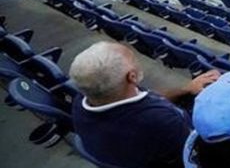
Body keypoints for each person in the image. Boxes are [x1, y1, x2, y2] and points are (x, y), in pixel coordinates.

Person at [69, 41, 221, 168]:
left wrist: (186, 89)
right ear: (132, 77)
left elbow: (150, 97)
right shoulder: (162, 122)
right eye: (132, 60)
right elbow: (201, 152)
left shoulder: (84, 100)